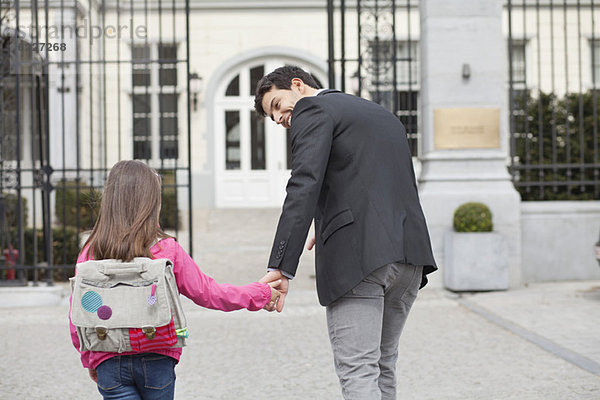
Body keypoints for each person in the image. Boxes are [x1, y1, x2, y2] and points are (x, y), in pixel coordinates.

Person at [254, 65, 437, 400]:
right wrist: (325, 220)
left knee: (358, 370)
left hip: (359, 260)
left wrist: (281, 265)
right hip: (409, 257)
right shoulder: (378, 113)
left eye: (278, 105)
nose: (279, 118)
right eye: (272, 116)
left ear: (298, 85)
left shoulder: (312, 108)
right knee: (382, 366)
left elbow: (303, 185)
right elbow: (373, 181)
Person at [68, 160, 280, 399]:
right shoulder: (166, 249)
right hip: (157, 356)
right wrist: (260, 292)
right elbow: (209, 293)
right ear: (151, 204)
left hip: (108, 358)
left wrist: (89, 359)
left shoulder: (90, 252)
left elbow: (78, 315)